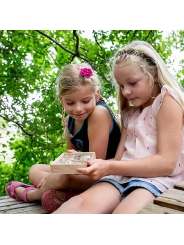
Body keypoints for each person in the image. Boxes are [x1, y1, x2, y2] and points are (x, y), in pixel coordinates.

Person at [52, 40, 184, 214]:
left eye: (133, 83)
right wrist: (93, 163)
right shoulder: (130, 114)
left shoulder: (166, 100)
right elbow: (118, 159)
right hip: (120, 178)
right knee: (75, 206)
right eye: (121, 86)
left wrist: (109, 167)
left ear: (154, 74)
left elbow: (166, 163)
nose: (126, 92)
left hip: (157, 180)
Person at [5, 63, 121, 213]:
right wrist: (66, 162)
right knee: (35, 169)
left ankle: (33, 194)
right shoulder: (70, 120)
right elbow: (69, 160)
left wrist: (65, 168)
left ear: (96, 95)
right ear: (61, 99)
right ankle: (62, 193)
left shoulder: (99, 114)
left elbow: (95, 164)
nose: (78, 109)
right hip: (83, 174)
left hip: (104, 175)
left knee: (60, 178)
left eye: (85, 101)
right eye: (70, 103)